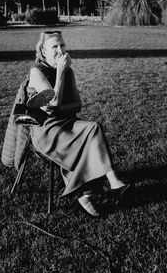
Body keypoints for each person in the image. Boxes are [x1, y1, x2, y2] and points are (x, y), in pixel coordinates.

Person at [28, 30, 130, 216]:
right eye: (54, 47)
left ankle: (113, 180)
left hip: (67, 121)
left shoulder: (69, 71)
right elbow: (55, 101)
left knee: (93, 127)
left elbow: (77, 104)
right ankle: (85, 193)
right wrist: (59, 73)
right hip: (46, 130)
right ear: (43, 51)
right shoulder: (37, 72)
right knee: (84, 140)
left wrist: (58, 107)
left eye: (63, 45)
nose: (60, 50)